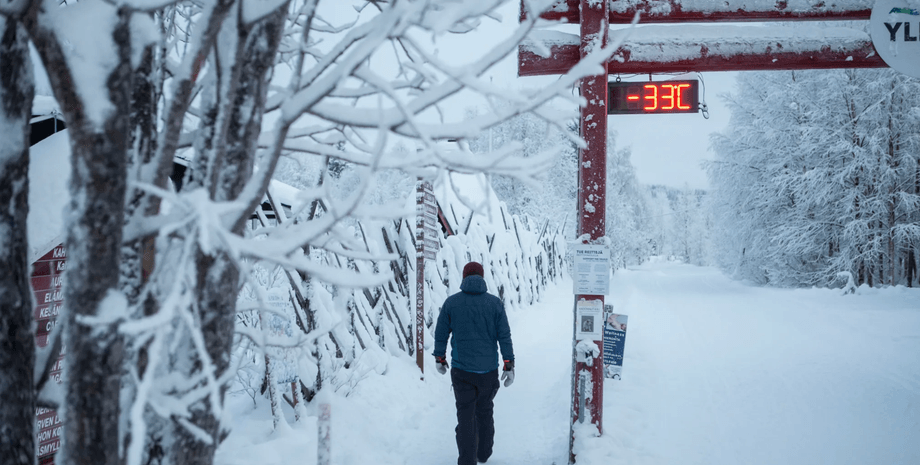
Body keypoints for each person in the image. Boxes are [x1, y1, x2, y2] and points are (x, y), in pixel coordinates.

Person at [433, 261, 514, 465]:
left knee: (466, 416)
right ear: (482, 277)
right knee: (485, 410)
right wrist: (509, 364)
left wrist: (439, 358)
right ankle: (484, 453)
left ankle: (467, 460)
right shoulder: (494, 304)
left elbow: (441, 333)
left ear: (463, 277)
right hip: (488, 371)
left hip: (462, 371)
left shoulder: (452, 303)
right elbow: (504, 336)